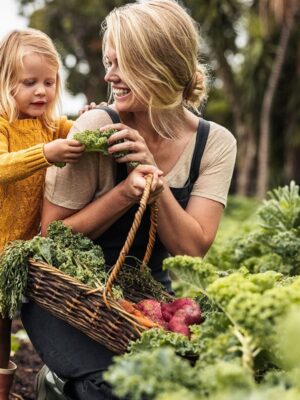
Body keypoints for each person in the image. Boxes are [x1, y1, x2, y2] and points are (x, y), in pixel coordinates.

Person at [22, 0, 237, 399]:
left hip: (143, 296)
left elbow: (191, 248)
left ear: (158, 65)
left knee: (184, 385)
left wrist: (153, 176)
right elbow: (50, 236)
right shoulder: (98, 127)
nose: (109, 76)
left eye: (121, 64)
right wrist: (125, 192)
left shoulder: (214, 143)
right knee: (114, 388)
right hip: (68, 294)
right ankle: (56, 384)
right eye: (108, 62)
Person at [0, 28, 85, 400]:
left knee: (4, 327)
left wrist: (89, 116)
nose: (41, 91)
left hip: (13, 254)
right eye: (29, 82)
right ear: (6, 82)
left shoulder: (51, 125)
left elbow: (79, 132)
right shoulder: (3, 123)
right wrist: (45, 154)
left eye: (49, 82)